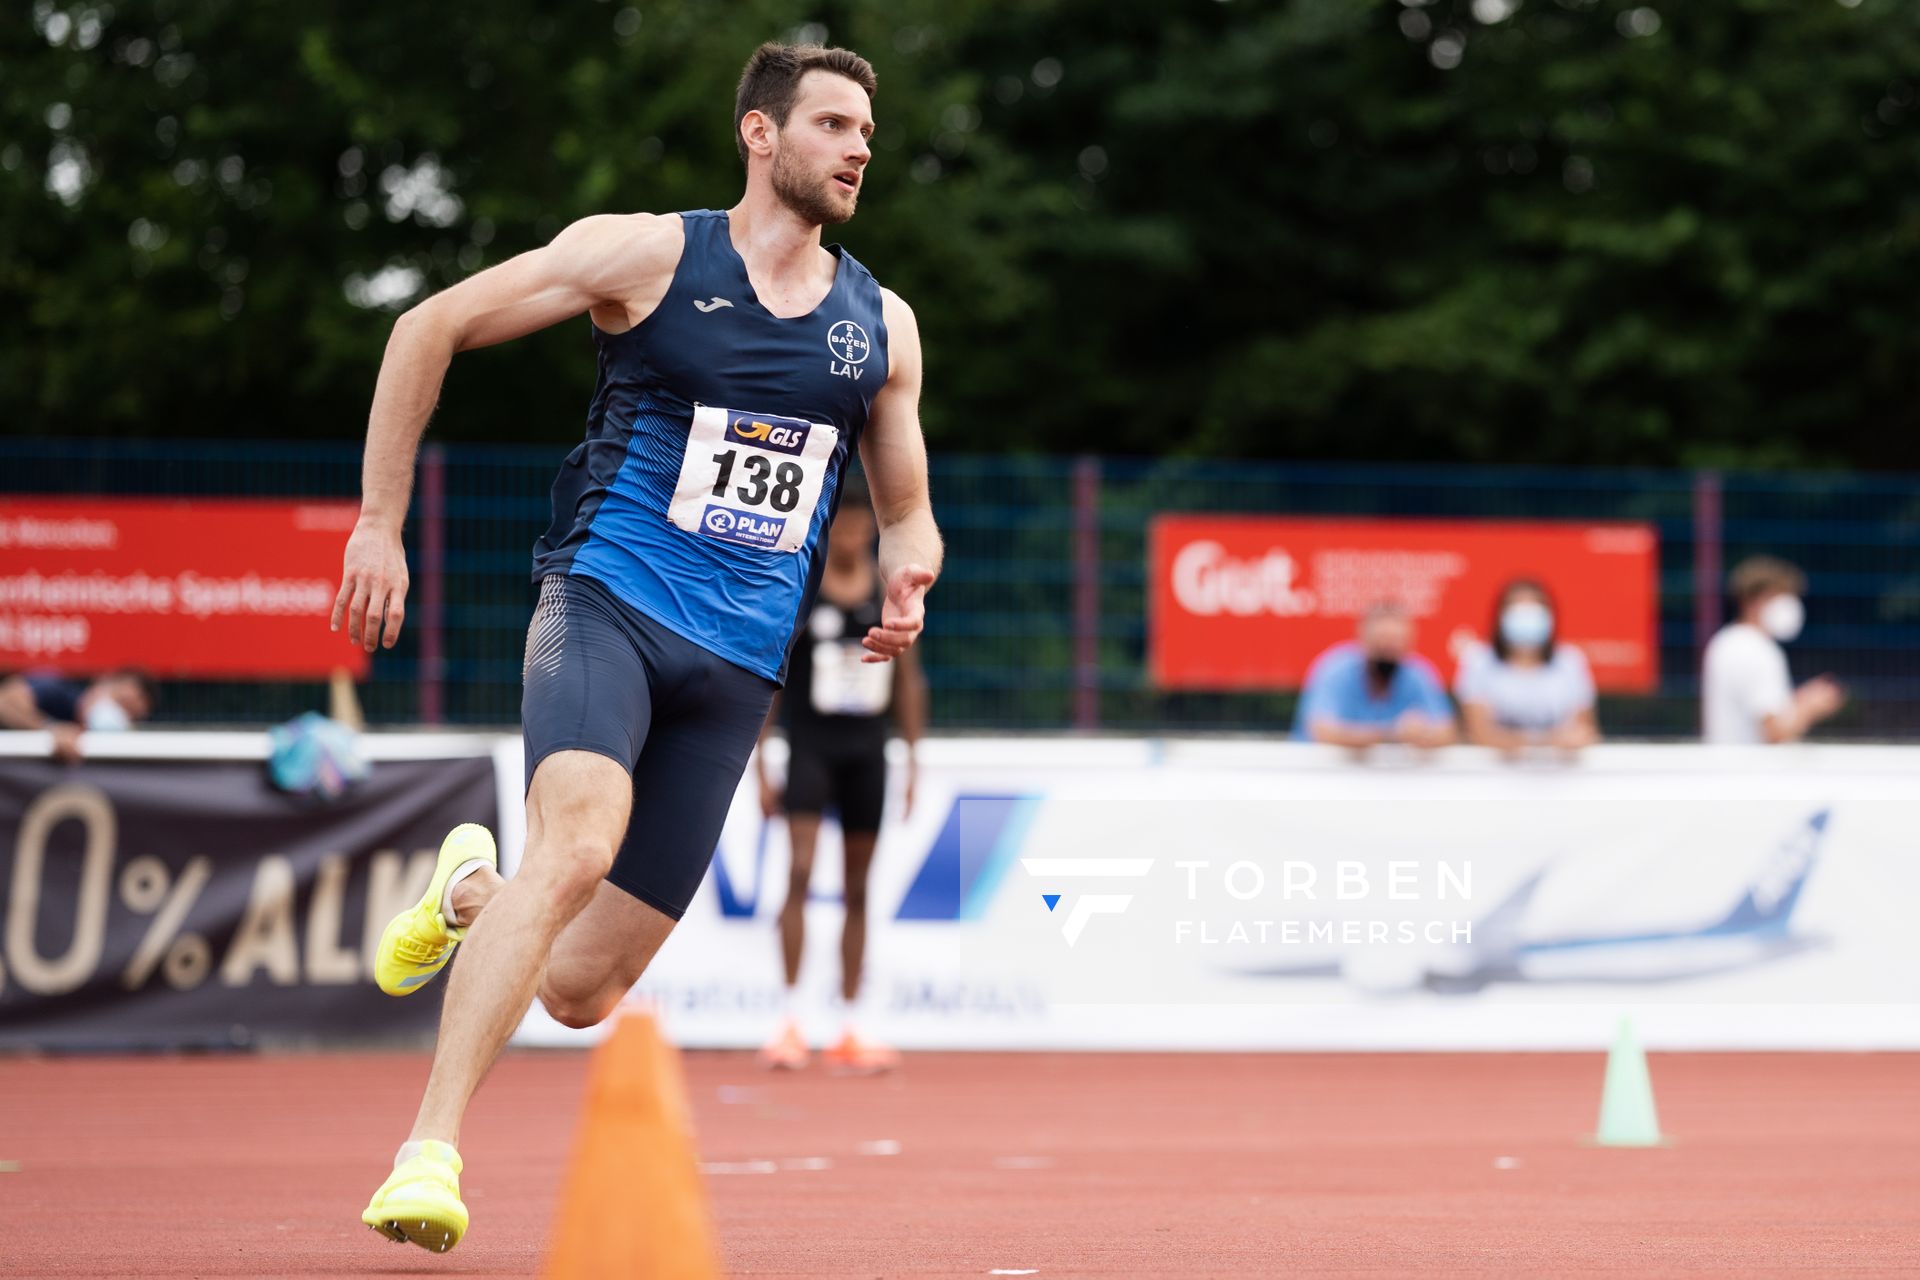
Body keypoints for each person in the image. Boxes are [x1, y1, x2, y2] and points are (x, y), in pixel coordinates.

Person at [331, 42, 941, 1255]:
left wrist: (917, 562)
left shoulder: (880, 325)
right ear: (761, 136)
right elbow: (427, 325)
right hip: (608, 600)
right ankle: (429, 1149)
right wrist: (377, 525)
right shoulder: (651, 256)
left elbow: (908, 499)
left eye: (865, 129)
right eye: (831, 124)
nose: (859, 146)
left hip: (736, 671)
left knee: (580, 987)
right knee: (580, 837)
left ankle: (464, 889)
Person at [753, 473, 927, 1074]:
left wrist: (912, 760)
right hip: (810, 748)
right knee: (799, 871)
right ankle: (791, 1018)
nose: (853, 534)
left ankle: (851, 1022)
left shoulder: (889, 590)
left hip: (866, 752)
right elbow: (769, 674)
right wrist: (760, 763)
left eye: (862, 524)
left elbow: (908, 679)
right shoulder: (804, 587)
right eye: (844, 524)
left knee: (858, 886)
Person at [1703, 556, 1843, 744]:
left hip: (1731, 764)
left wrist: (1800, 700)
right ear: (1758, 599)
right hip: (1753, 770)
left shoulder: (1727, 641)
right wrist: (1811, 707)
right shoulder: (1756, 650)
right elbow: (1774, 732)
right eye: (1784, 597)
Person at [1455, 579, 1598, 753]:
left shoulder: (1570, 662)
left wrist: (1515, 740)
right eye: (1517, 609)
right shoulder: (1478, 661)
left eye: (1534, 609)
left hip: (1558, 775)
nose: (1526, 616)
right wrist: (1549, 741)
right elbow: (1480, 733)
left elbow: (1584, 732)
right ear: (1501, 615)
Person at [1292, 604, 1455, 748]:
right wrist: (1392, 733)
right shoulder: (1334, 670)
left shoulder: (1418, 673)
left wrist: (1423, 733)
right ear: (1362, 637)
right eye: (1382, 641)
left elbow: (1446, 732)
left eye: (1395, 642)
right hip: (1319, 775)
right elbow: (1322, 731)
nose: (1388, 651)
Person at [0, 668, 153, 762]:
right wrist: (51, 730)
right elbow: (4, 703)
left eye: (128, 714)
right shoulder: (57, 689)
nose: (117, 713)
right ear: (103, 682)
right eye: (120, 702)